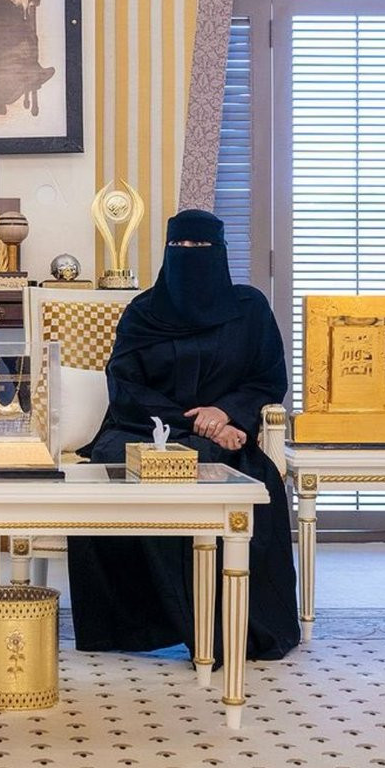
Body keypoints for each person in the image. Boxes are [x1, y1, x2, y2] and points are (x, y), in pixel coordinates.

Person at [67, 208, 301, 663]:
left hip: (226, 434)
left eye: (201, 246)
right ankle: (144, 623)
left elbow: (268, 380)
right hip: (143, 429)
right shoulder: (143, 311)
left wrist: (225, 414)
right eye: (180, 246)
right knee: (119, 472)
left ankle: (224, 624)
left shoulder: (249, 309)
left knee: (221, 471)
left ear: (221, 252)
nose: (190, 254)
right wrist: (194, 421)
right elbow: (125, 386)